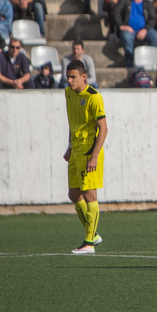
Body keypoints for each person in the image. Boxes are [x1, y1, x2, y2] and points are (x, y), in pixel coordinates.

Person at [63, 59, 108, 254]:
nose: (70, 81)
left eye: (73, 77)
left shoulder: (94, 97)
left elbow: (103, 129)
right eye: (68, 77)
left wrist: (94, 156)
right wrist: (70, 147)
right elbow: (72, 123)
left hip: (90, 152)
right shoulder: (68, 93)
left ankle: (89, 242)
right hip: (76, 151)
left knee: (90, 195)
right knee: (74, 195)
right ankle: (93, 234)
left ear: (84, 77)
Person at [112, 0, 157, 68]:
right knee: (126, 37)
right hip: (129, 30)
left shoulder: (148, 3)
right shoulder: (125, 0)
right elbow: (116, 12)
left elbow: (153, 18)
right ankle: (129, 62)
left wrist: (145, 29)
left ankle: (146, 58)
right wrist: (121, 25)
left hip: (144, 29)